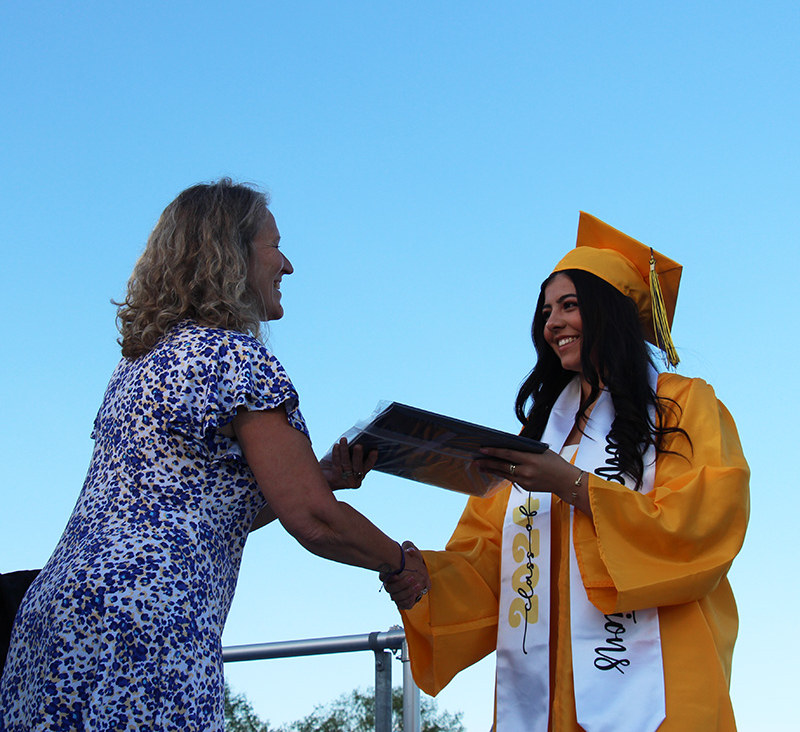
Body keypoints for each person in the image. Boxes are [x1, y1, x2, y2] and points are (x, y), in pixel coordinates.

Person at [0, 179, 425, 732]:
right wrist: (401, 562)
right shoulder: (236, 358)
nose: (287, 264)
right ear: (233, 253)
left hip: (48, 620)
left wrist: (316, 476)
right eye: (275, 246)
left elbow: (197, 511)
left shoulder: (138, 367)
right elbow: (315, 520)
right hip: (146, 623)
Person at [382, 213, 750, 732]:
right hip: (547, 702)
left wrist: (571, 484)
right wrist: (417, 578)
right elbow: (487, 566)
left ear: (610, 313)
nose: (552, 323)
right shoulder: (536, 442)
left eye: (570, 306)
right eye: (547, 310)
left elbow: (702, 526)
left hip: (660, 693)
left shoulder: (682, 406)